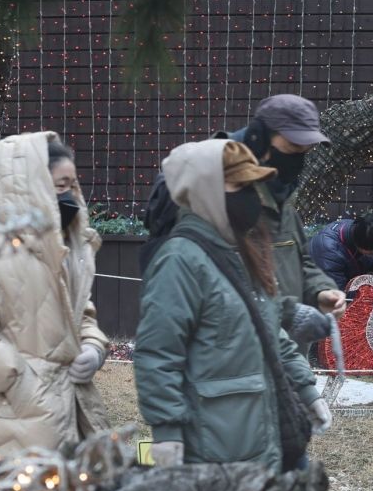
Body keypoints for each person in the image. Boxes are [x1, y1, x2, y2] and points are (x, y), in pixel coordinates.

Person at [134, 138, 331, 470]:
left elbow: (272, 334)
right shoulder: (180, 260)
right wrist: (167, 432)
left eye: (252, 186)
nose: (251, 196)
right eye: (239, 185)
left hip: (260, 434)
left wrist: (307, 390)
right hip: (215, 447)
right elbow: (158, 353)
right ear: (207, 190)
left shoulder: (241, 252)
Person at [0, 131, 110, 481]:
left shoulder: (63, 253)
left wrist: (93, 349)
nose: (71, 196)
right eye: (60, 186)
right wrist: (21, 382)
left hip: (64, 414)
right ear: (29, 188)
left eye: (72, 185)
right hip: (6, 428)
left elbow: (82, 312)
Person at [227, 94, 346, 348]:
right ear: (258, 138)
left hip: (287, 355)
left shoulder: (280, 193)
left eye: (306, 152)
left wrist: (320, 291)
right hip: (237, 356)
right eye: (293, 148)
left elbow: (298, 259)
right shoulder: (219, 193)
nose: (298, 160)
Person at [309, 212, 373, 347]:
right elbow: (340, 298)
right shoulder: (328, 250)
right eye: (372, 253)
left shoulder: (359, 232)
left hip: (347, 289)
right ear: (363, 248)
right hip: (322, 302)